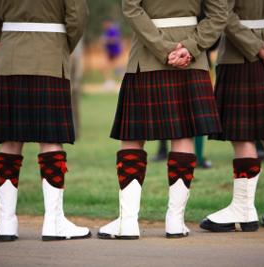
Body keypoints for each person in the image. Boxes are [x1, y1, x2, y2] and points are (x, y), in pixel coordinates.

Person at [98, 0, 227, 239]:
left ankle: (128, 224)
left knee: (133, 137)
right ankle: (175, 223)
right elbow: (219, 13)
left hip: (147, 56)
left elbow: (131, 7)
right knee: (183, 134)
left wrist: (163, 48)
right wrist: (190, 47)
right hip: (191, 59)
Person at [0, 0, 90, 241]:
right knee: (51, 140)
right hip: (50, 57)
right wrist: (57, 43)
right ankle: (53, 223)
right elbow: (77, 18)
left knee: (9, 140)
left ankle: (6, 225)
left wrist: (15, 40)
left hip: (10, 58)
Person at [200, 0, 264, 232]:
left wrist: (257, 48)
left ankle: (243, 210)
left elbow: (222, 12)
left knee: (242, 135)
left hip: (238, 55)